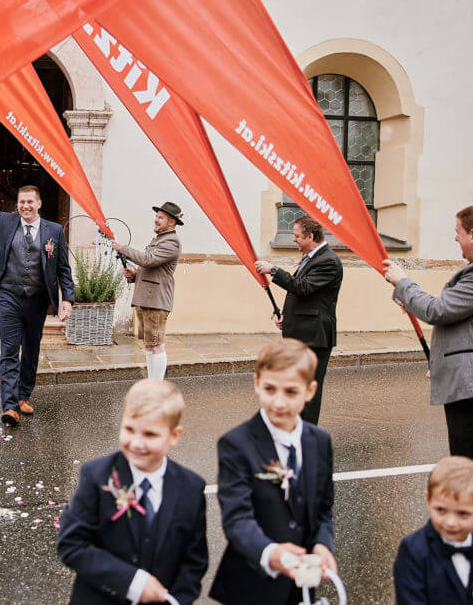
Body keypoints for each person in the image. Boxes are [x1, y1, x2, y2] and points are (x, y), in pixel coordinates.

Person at [383, 202, 473, 534]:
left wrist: (403, 282)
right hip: (471, 379)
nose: (455, 239)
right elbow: (470, 327)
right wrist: (446, 364)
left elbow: (439, 310)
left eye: (459, 233)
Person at [209, 338, 336, 605]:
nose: (279, 402)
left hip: (302, 583)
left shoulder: (320, 441)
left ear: (310, 391)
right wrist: (271, 553)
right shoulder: (236, 444)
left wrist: (323, 545)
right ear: (257, 383)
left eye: (291, 392)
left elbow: (324, 508)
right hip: (252, 584)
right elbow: (237, 519)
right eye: (270, 389)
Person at [58, 380, 208, 604]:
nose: (137, 443)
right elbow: (72, 545)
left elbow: (194, 561)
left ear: (174, 435)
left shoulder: (191, 488)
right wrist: (133, 582)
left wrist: (177, 600)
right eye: (129, 429)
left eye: (150, 434)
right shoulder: (97, 477)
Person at [0, 184, 74, 425]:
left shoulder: (54, 230)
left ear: (39, 203)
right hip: (8, 296)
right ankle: (9, 406)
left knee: (31, 350)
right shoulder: (4, 221)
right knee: (9, 350)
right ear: (17, 204)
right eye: (22, 202)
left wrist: (67, 299)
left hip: (38, 299)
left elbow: (62, 268)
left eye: (30, 202)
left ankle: (22, 396)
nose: (25, 206)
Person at [254, 216, 343, 425]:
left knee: (309, 388)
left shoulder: (328, 261)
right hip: (303, 332)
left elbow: (303, 287)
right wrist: (289, 318)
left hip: (315, 336)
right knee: (296, 384)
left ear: (310, 236)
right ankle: (296, 428)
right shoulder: (313, 257)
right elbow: (305, 295)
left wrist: (274, 270)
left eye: (297, 236)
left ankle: (307, 434)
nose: (294, 240)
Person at [393, 456, 473, 604]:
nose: (451, 523)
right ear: (428, 500)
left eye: (463, 513)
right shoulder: (413, 550)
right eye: (441, 510)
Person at [113, 202, 183, 382]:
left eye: (161, 217)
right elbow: (153, 269)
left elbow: (149, 260)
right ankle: (154, 383)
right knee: (150, 346)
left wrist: (123, 249)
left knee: (156, 345)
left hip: (156, 301)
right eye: (157, 216)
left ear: (171, 222)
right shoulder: (160, 240)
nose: (156, 220)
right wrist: (135, 275)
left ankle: (157, 387)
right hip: (146, 299)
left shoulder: (172, 242)